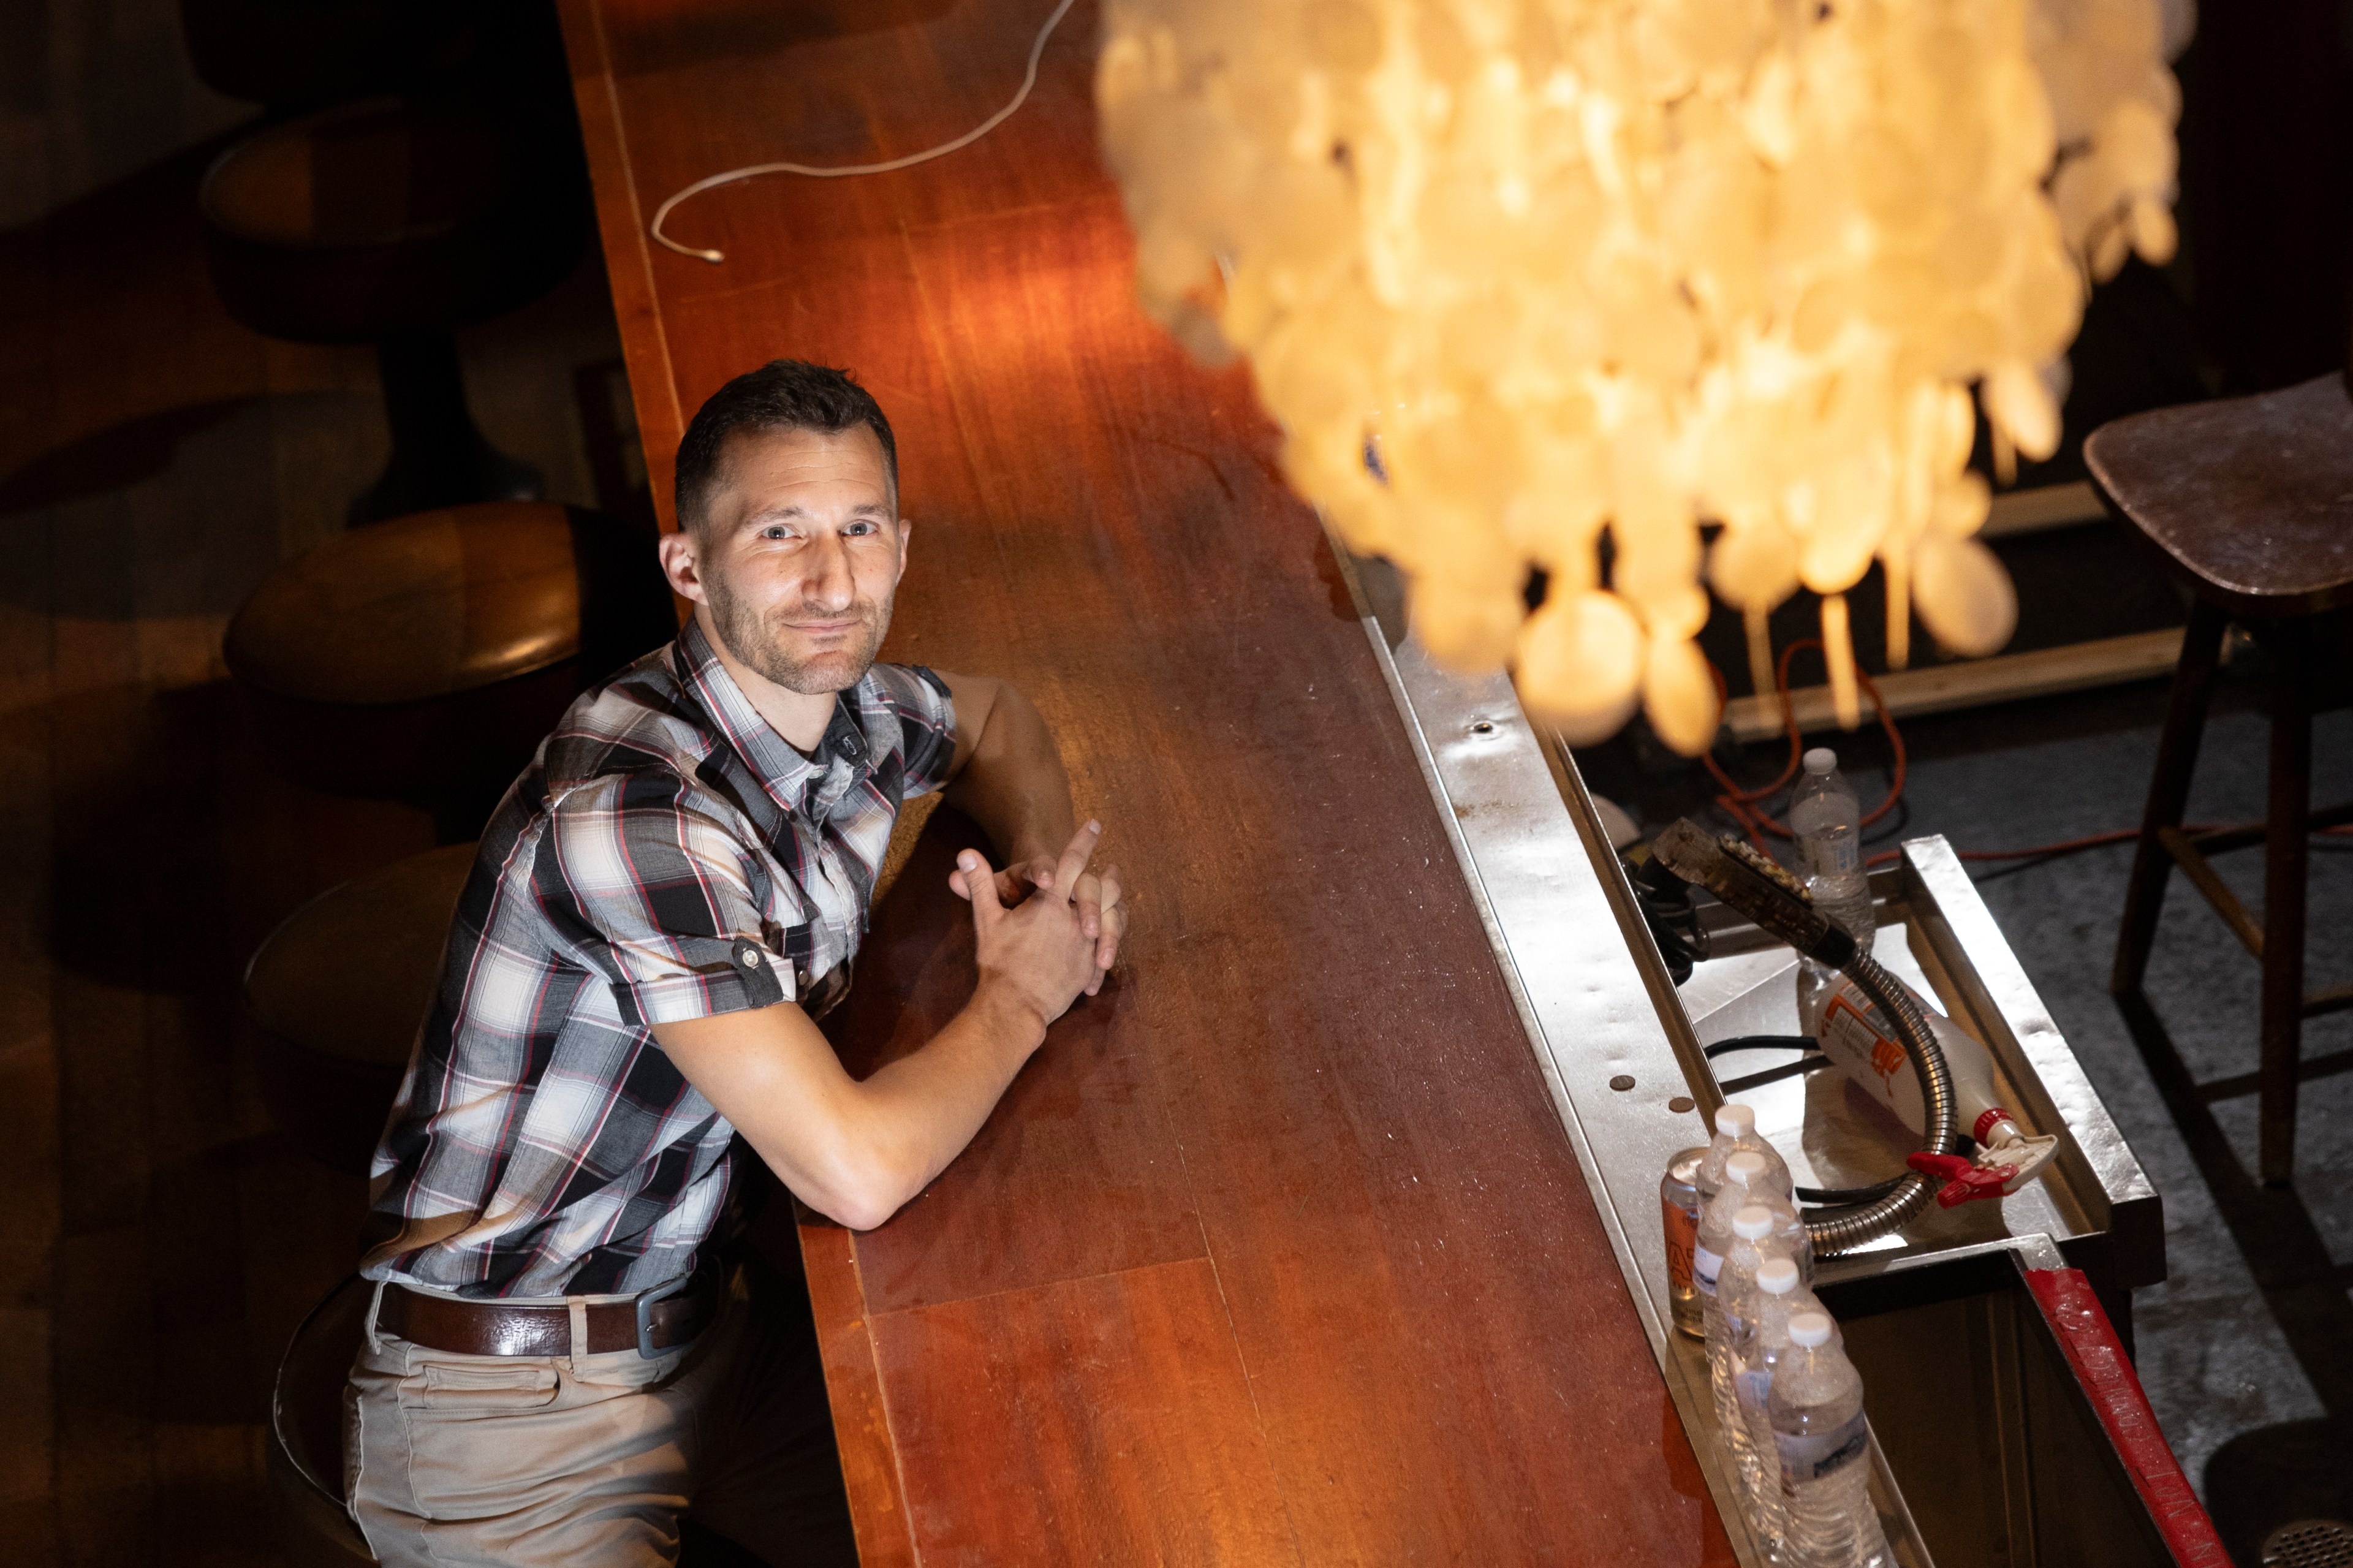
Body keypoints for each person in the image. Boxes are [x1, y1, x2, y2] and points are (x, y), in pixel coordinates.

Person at [344, 359, 1126, 1566]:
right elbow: (856, 1173)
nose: (831, 579)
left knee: (1021, 1518)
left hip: (707, 1334)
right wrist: (1027, 982)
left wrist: (1036, 877)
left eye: (860, 528)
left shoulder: (848, 714)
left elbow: (999, 720)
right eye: (780, 534)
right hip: (506, 1405)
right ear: (690, 570)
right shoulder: (639, 814)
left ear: (903, 548)